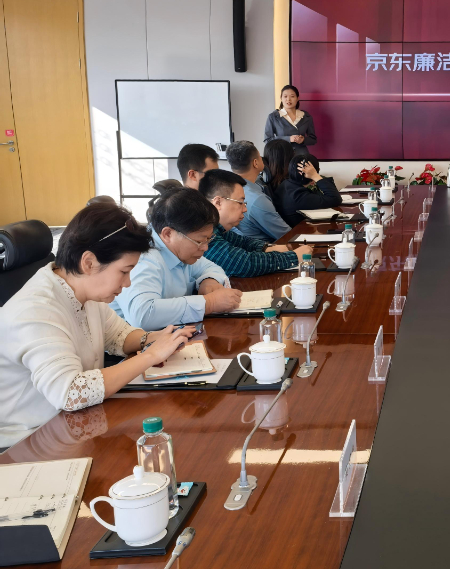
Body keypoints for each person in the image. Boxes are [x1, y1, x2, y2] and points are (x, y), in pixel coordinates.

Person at [0, 203, 194, 447]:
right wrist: (151, 355)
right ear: (89, 262)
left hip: (77, 425)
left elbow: (118, 335)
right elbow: (71, 393)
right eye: (124, 271)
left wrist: (152, 339)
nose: (127, 283)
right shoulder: (36, 311)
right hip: (29, 442)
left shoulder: (82, 290)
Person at [111, 186, 242, 330]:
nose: (205, 247)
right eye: (200, 240)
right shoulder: (144, 258)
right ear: (168, 234)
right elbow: (142, 315)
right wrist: (209, 303)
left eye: (208, 239)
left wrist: (208, 280)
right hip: (132, 342)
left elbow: (210, 267)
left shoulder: (182, 252)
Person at [199, 169, 312, 278]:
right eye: (240, 203)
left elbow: (243, 242)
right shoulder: (202, 232)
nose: (245, 209)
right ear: (218, 202)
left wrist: (266, 248)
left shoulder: (218, 228)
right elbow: (245, 264)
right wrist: (294, 257)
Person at [226, 140, 292, 242]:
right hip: (267, 248)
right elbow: (287, 235)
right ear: (255, 163)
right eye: (260, 157)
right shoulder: (257, 199)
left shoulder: (226, 186)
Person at [275, 154, 342, 226]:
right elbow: (335, 199)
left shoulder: (287, 184)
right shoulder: (298, 195)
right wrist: (315, 176)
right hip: (300, 231)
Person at [264, 84, 316, 157]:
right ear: (281, 98)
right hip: (282, 156)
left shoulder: (306, 116)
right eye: (285, 96)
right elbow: (268, 140)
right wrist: (289, 139)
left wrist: (303, 140)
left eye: (292, 96)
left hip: (301, 156)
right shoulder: (273, 117)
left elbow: (313, 139)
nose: (288, 99)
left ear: (297, 98)